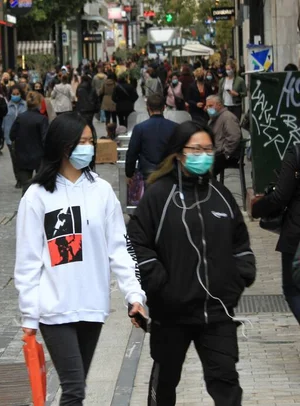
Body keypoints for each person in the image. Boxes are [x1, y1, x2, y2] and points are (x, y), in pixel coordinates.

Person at [15, 112, 146, 405]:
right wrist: (29, 315)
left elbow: (120, 248)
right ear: (62, 146)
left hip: (92, 306)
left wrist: (134, 295)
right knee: (74, 389)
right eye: (80, 141)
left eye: (90, 141)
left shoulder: (101, 192)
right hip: (55, 308)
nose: (87, 147)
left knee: (76, 385)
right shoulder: (36, 196)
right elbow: (27, 261)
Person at [127, 120, 255, 406]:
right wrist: (156, 280)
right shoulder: (160, 195)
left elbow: (241, 242)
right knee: (165, 384)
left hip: (217, 313)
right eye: (196, 148)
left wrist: (242, 273)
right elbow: (136, 240)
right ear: (179, 153)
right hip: (172, 314)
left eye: (208, 149)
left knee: (226, 385)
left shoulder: (221, 196)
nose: (203, 155)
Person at [251, 144, 300, 323]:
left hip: (296, 233)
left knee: (293, 289)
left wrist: (258, 209)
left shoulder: (296, 153)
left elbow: (280, 196)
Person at [125, 94, 178, 182]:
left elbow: (132, 153)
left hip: (147, 174)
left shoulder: (140, 128)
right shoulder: (175, 127)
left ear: (148, 108)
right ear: (164, 108)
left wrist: (129, 173)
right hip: (169, 172)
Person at [9, 91, 49, 195]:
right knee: (41, 186)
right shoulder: (42, 119)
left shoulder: (20, 117)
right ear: (40, 103)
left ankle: (25, 209)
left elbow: (12, 135)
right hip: (39, 156)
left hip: (22, 155)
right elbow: (45, 139)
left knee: (26, 187)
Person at [205, 95, 242, 177]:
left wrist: (225, 153)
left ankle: (210, 187)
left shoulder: (228, 117)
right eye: (207, 106)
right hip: (217, 152)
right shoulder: (214, 118)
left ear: (219, 105)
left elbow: (234, 137)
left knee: (205, 168)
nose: (208, 108)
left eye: (210, 106)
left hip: (226, 154)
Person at [3, 85, 27, 188]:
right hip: (10, 137)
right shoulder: (6, 106)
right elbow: (3, 122)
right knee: (15, 159)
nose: (16, 96)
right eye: (14, 94)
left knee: (24, 158)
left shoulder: (26, 105)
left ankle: (25, 178)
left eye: (17, 94)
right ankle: (18, 179)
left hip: (24, 136)